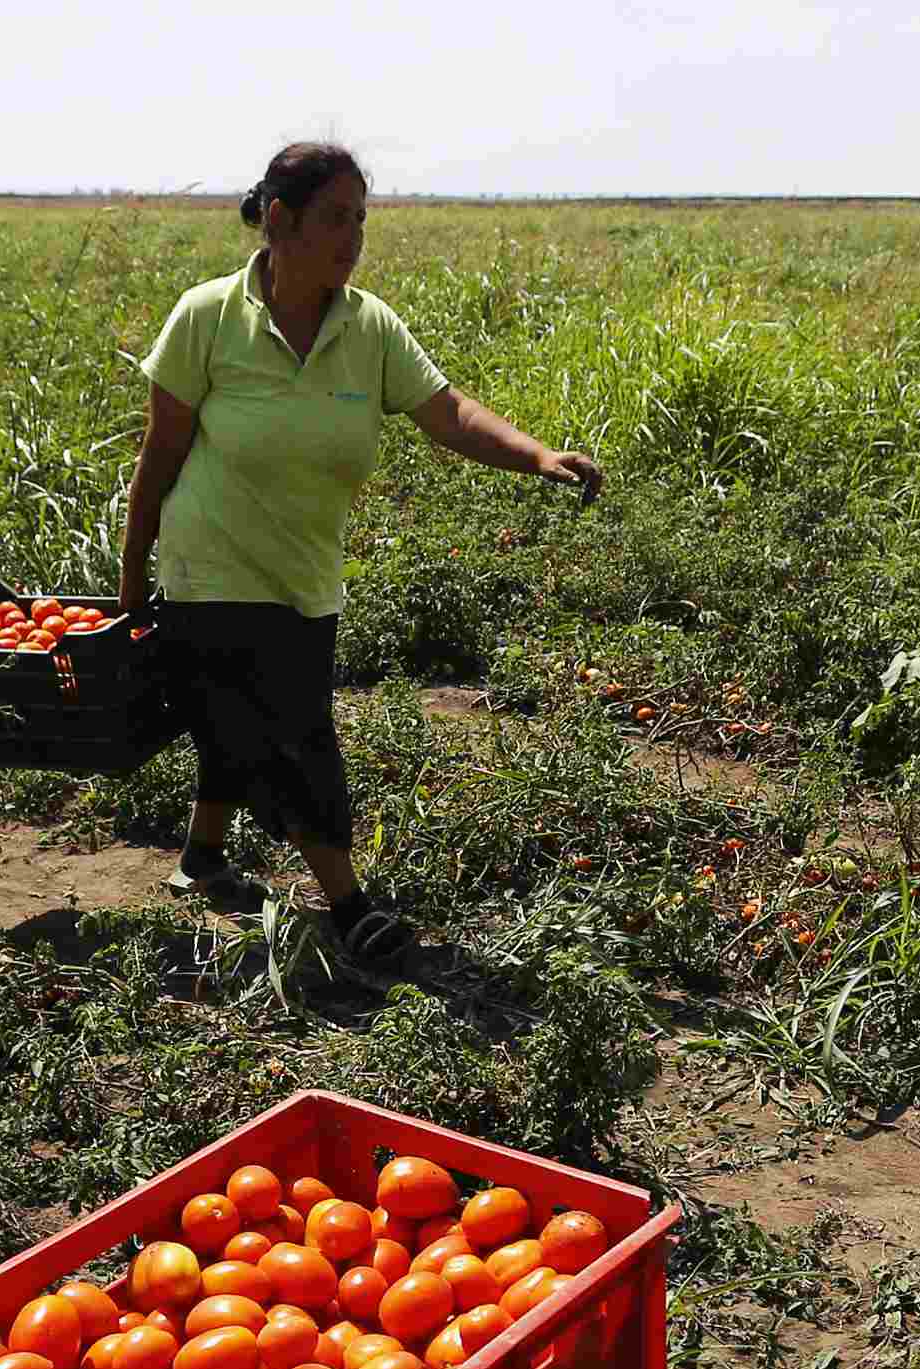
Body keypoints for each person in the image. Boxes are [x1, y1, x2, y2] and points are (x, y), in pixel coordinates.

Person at [120, 142, 602, 964]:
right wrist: (133, 580)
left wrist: (536, 456)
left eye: (361, 220)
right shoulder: (206, 317)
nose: (354, 238)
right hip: (211, 569)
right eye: (336, 219)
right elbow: (159, 456)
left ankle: (202, 856)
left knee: (244, 720)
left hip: (307, 574)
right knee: (294, 733)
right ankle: (349, 907)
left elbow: (447, 410)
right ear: (279, 220)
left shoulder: (367, 326)